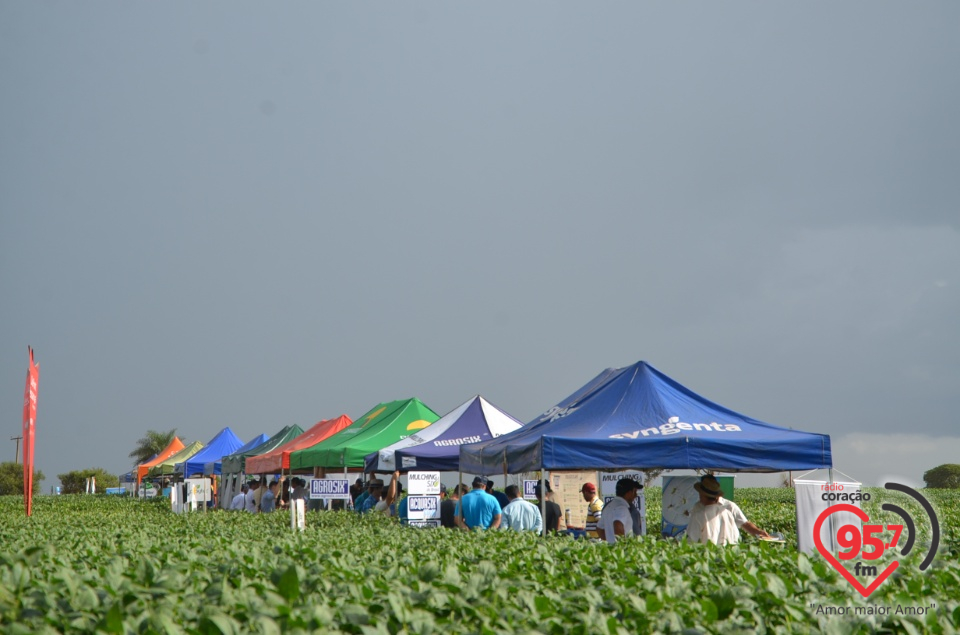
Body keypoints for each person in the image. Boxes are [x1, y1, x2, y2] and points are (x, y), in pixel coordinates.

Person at [686, 475, 771, 545]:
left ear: (702, 494)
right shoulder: (727, 512)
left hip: (707, 555)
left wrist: (758, 532)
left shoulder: (729, 506)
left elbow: (691, 540)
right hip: (726, 554)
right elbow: (735, 537)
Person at [597, 478, 642, 544]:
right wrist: (622, 547)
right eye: (634, 492)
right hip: (622, 551)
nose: (636, 495)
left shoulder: (609, 506)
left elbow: (599, 528)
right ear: (629, 493)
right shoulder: (622, 508)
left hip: (611, 550)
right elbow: (618, 525)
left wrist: (610, 542)